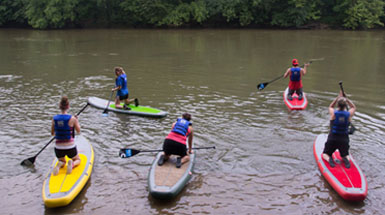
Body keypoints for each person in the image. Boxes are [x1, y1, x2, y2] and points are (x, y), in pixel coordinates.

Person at [322, 91, 356, 168]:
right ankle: (346, 159)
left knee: (325, 154)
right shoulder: (348, 115)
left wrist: (337, 98)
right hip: (344, 138)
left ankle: (329, 159)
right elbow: (353, 107)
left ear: (338, 105)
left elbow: (330, 106)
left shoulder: (333, 113)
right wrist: (346, 99)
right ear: (345, 105)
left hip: (333, 137)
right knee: (346, 154)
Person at [51, 96, 81, 175]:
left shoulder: (54, 119)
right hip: (70, 146)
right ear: (68, 106)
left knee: (62, 160)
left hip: (58, 147)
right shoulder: (72, 119)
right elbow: (78, 131)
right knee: (78, 159)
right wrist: (76, 120)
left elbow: (52, 133)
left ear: (60, 106)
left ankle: (60, 164)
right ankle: (73, 164)